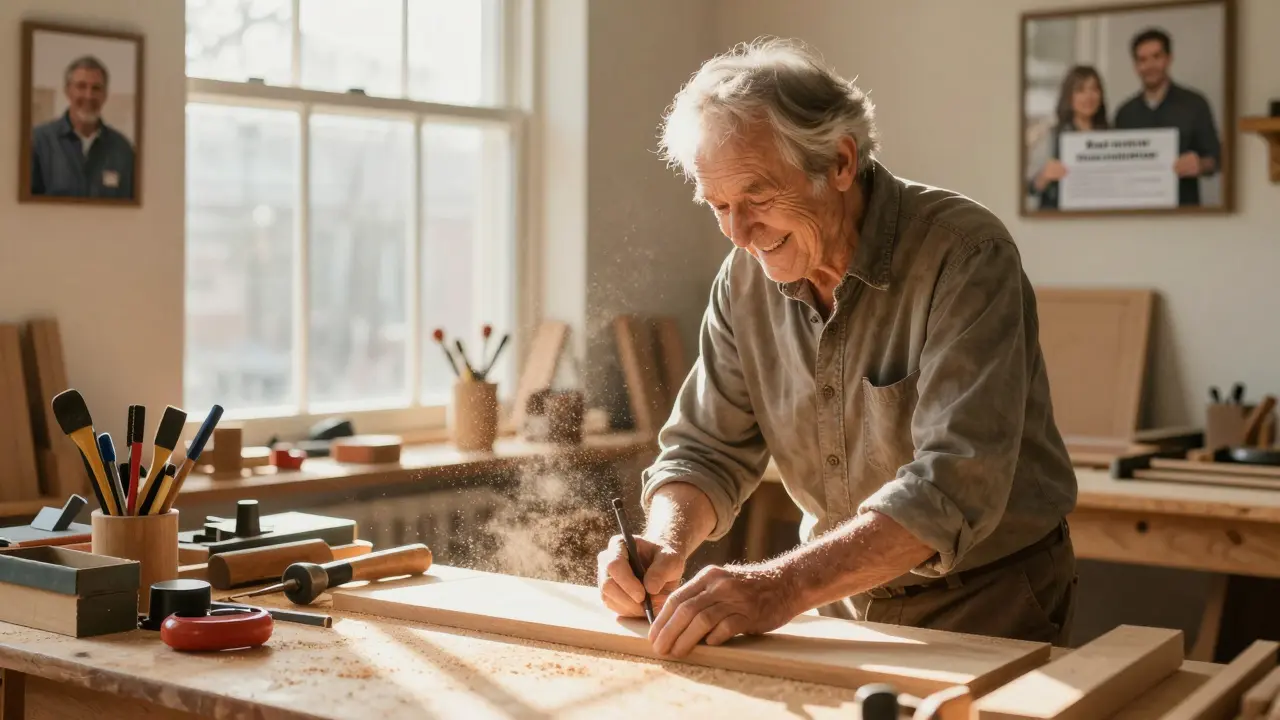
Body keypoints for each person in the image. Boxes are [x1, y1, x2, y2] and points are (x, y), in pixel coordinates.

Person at [596, 38, 1079, 660]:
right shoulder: (744, 279)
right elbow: (704, 449)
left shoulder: (964, 255)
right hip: (839, 604)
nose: (738, 234)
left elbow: (951, 487)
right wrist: (666, 540)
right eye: (717, 206)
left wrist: (777, 586)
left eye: (757, 199)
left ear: (841, 163)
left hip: (988, 600)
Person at [1112, 28, 1220, 206]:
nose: (1150, 66)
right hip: (1134, 214)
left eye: (1156, 57)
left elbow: (1216, 159)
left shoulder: (1195, 104)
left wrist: (1199, 164)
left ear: (1169, 59)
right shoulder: (1124, 113)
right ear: (1135, 66)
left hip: (1184, 214)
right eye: (1143, 60)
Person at [30, 55, 135, 199]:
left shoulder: (123, 149)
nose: (89, 95)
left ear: (105, 95)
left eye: (96, 88)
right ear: (68, 91)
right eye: (81, 86)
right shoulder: (38, 142)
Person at [1028, 65, 1110, 210]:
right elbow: (1029, 189)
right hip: (1061, 221)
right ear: (1069, 96)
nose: (1088, 96)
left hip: (1104, 218)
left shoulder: (1112, 135)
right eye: (1080, 90)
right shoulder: (1051, 136)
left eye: (1094, 89)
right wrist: (1044, 177)